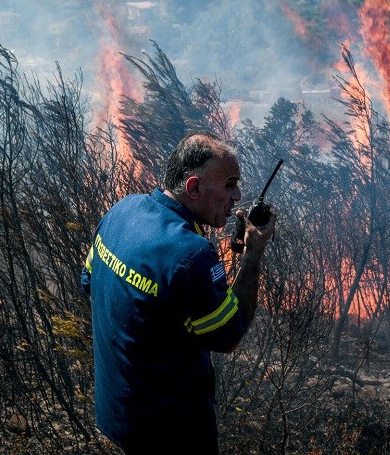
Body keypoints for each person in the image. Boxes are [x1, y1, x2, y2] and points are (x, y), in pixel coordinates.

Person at [81, 131, 276, 455]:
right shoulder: (192, 254)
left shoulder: (122, 210)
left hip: (117, 414)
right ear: (194, 188)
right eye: (229, 184)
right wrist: (253, 252)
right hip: (172, 433)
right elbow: (229, 333)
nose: (238, 195)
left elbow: (89, 280)